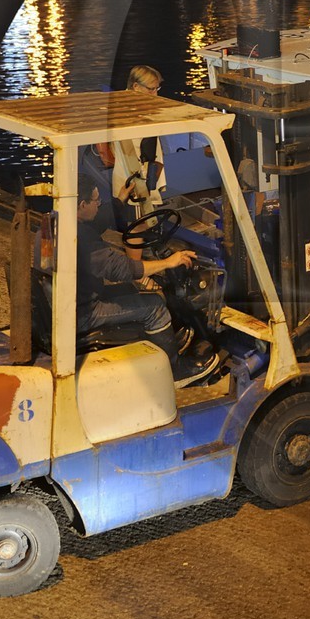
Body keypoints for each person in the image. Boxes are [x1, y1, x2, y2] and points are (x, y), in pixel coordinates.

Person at [73, 170, 218, 387]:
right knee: (155, 306)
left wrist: (121, 200)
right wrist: (169, 262)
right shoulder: (81, 238)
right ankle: (174, 372)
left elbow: (99, 219)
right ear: (82, 205)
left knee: (133, 290)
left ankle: (163, 344)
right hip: (85, 311)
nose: (98, 204)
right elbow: (120, 269)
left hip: (78, 299)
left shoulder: (64, 221)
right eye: (95, 201)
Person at [113, 65, 166, 223]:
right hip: (135, 180)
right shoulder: (128, 114)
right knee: (137, 227)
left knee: (144, 223)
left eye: (157, 89)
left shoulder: (139, 108)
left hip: (144, 177)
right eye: (151, 89)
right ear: (136, 87)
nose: (155, 94)